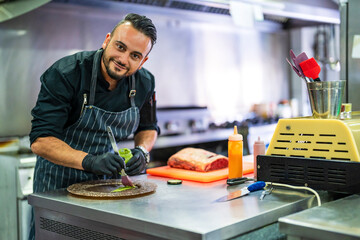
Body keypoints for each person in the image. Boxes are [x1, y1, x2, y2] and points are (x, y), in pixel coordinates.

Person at [28, 13, 159, 239]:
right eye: (120, 46)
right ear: (107, 40)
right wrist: (89, 160)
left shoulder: (145, 82)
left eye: (135, 55)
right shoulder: (66, 73)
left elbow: (148, 127)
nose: (123, 59)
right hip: (57, 183)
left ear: (143, 61)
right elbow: (41, 141)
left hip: (109, 186)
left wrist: (142, 151)